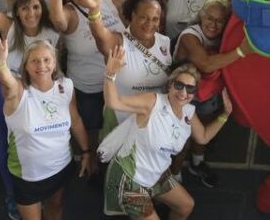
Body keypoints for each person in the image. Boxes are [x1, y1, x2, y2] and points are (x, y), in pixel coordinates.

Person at [100, 52, 233, 218]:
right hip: (130, 178)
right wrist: (110, 74)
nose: (184, 93)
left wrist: (225, 115)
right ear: (170, 85)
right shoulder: (152, 103)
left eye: (190, 88)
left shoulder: (188, 111)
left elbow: (203, 137)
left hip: (157, 174)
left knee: (186, 206)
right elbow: (114, 102)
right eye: (179, 85)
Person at [0, 35, 92, 220]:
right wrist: (1, 64)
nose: (41, 65)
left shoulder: (66, 86)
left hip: (61, 168)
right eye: (34, 60)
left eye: (46, 59)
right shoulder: (17, 91)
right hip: (28, 176)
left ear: (55, 63)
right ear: (25, 66)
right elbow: (8, 84)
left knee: (56, 206)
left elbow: (75, 120)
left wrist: (86, 151)